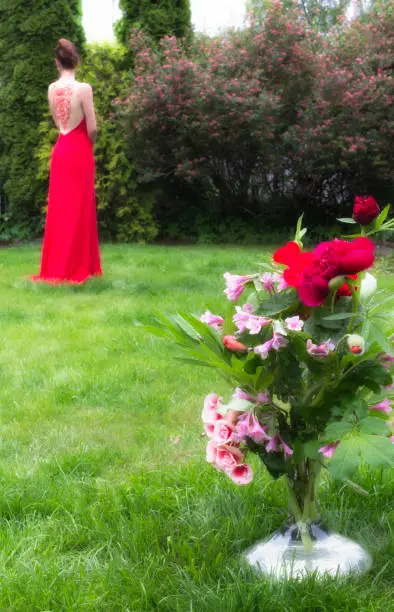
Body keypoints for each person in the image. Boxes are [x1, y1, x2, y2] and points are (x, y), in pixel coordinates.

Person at [31, 39, 102, 284]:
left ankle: (57, 265)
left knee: (60, 208)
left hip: (61, 149)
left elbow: (57, 122)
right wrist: (88, 143)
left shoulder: (51, 89)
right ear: (77, 61)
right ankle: (81, 265)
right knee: (80, 207)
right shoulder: (84, 89)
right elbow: (92, 127)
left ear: (57, 63)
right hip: (80, 149)